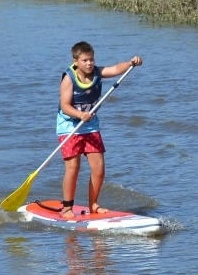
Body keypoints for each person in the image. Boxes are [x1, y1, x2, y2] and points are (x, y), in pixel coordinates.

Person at [58, 42, 142, 218]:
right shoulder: (69, 78)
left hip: (90, 126)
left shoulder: (97, 72)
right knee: (73, 167)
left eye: (91, 59)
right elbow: (65, 106)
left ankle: (94, 204)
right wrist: (79, 115)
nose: (89, 63)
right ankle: (67, 207)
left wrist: (130, 63)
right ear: (76, 61)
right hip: (69, 127)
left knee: (99, 167)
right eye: (85, 60)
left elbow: (115, 69)